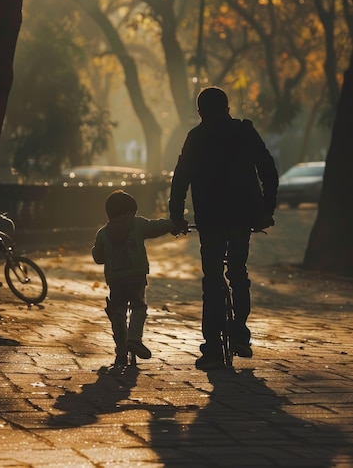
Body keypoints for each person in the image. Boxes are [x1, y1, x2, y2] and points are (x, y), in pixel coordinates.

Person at [169, 86, 279, 371]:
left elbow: (180, 178)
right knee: (238, 272)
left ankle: (213, 348)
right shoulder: (245, 132)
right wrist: (267, 209)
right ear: (228, 108)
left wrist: (176, 216)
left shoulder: (196, 137)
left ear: (200, 112)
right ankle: (240, 333)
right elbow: (268, 170)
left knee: (212, 278)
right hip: (244, 215)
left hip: (210, 218)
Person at [92, 190, 181, 368]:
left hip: (115, 279)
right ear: (130, 212)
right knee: (138, 307)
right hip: (136, 276)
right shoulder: (137, 224)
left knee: (118, 312)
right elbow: (156, 226)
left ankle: (121, 350)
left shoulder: (103, 233)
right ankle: (134, 338)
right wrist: (174, 225)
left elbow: (98, 257)